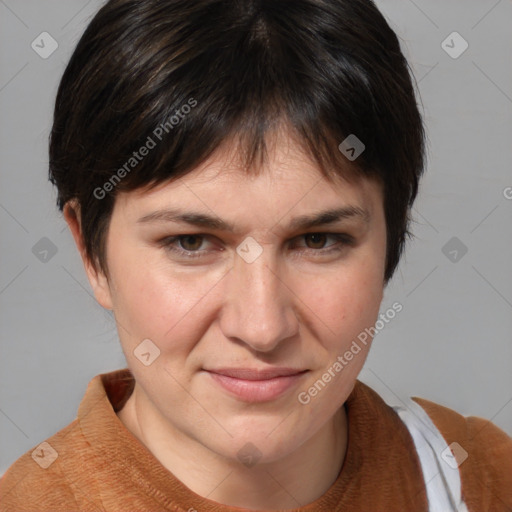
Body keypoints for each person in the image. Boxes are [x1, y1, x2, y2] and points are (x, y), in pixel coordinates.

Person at [1, 0, 510, 510]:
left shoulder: (482, 481)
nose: (262, 327)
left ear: (391, 236)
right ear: (91, 253)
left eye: (318, 240)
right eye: (191, 242)